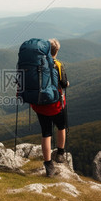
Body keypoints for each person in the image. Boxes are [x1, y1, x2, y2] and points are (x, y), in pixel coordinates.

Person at [30, 38, 69, 177]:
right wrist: (67, 83)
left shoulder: (36, 64)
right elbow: (64, 84)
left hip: (40, 106)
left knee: (46, 133)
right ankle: (60, 153)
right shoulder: (57, 64)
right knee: (61, 126)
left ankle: (48, 165)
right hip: (57, 104)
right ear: (56, 51)